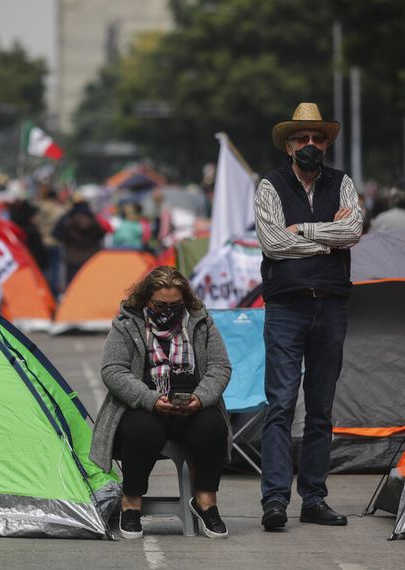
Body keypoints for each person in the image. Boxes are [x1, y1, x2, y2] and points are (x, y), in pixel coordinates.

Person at [254, 102, 362, 531]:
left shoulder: (343, 182)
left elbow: (353, 231)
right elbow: (272, 245)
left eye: (318, 139)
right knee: (280, 405)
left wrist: (302, 229)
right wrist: (325, 238)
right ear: (289, 146)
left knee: (321, 408)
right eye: (303, 139)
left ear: (327, 144)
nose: (311, 145)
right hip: (286, 306)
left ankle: (314, 498)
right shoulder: (270, 186)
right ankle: (275, 501)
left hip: (331, 304)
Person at [89, 265, 232, 539]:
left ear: (185, 301)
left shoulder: (201, 321)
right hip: (142, 405)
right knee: (143, 430)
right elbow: (112, 370)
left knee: (213, 425)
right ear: (145, 299)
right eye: (160, 304)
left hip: (191, 404)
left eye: (175, 305)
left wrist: (200, 399)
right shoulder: (127, 322)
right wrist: (150, 399)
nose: (167, 310)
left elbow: (220, 367)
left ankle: (205, 502)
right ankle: (131, 503)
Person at [53, 193, 105, 286]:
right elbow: (102, 233)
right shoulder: (93, 219)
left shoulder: (67, 219)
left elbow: (57, 234)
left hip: (72, 259)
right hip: (91, 258)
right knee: (91, 285)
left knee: (73, 286)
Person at [33, 183, 66, 297]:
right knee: (55, 270)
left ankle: (44, 292)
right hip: (54, 242)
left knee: (42, 270)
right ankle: (54, 294)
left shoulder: (38, 208)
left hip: (41, 242)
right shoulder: (59, 210)